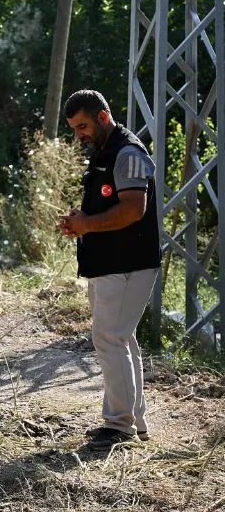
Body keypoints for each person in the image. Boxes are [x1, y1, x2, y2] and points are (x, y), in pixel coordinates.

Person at [59, 89, 161, 450]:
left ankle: (119, 426)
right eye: (74, 129)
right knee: (121, 340)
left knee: (109, 339)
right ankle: (134, 421)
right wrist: (81, 223)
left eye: (83, 126)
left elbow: (134, 210)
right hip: (111, 264)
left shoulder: (127, 152)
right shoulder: (105, 151)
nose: (79, 135)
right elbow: (106, 209)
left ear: (103, 117)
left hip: (128, 264)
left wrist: (87, 224)